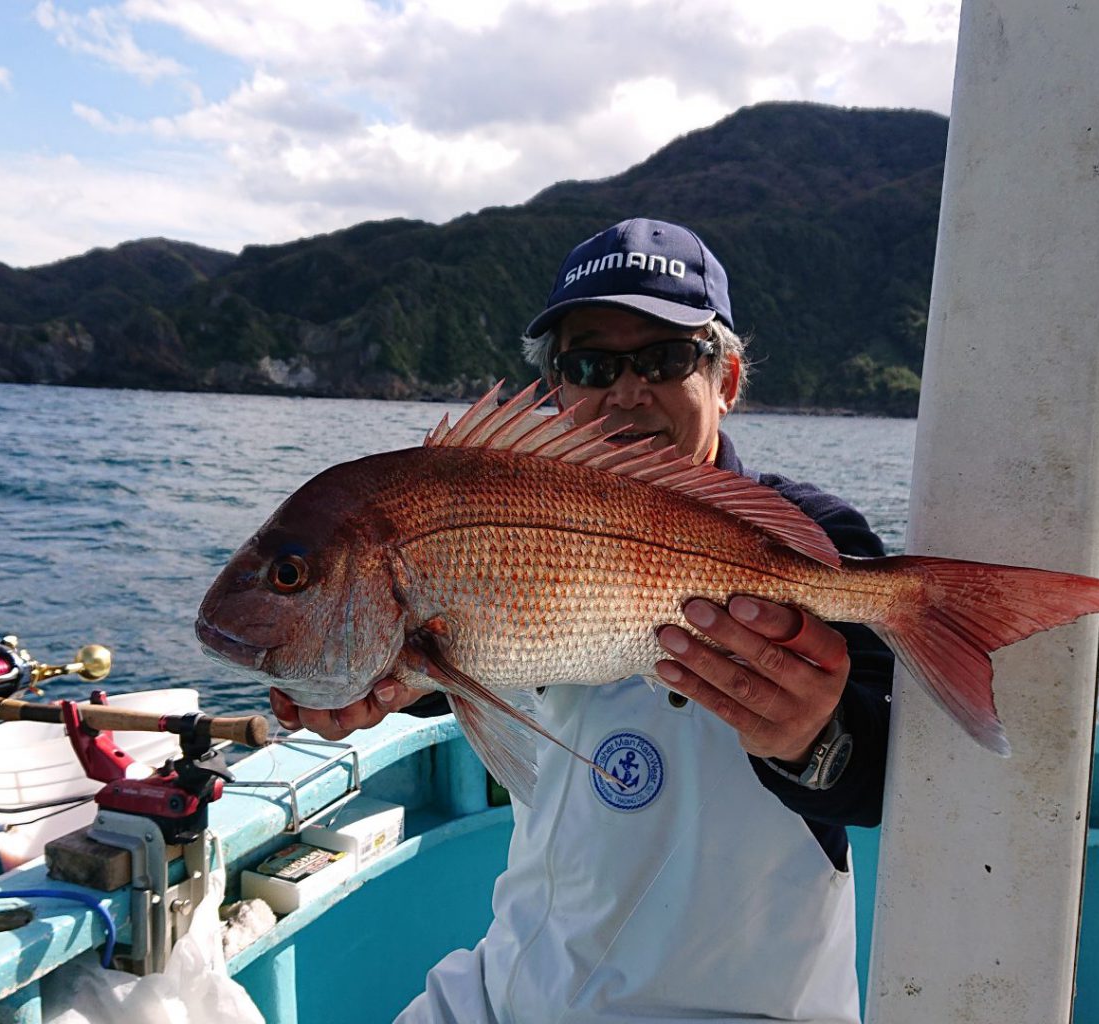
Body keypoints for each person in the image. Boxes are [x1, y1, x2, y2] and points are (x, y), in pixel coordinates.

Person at [267, 218, 895, 1023]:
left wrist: (818, 740)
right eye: (591, 364)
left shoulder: (809, 538)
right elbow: (456, 655)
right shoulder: (514, 519)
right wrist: (370, 682)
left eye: (666, 359)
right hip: (508, 988)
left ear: (727, 378)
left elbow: (893, 776)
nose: (627, 392)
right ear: (557, 392)